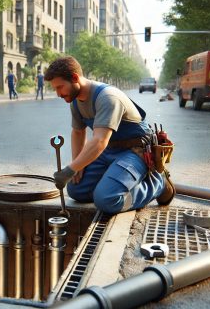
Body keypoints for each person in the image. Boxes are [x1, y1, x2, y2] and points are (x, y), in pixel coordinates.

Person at [45, 56, 175, 215]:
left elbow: (99, 141)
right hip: (109, 151)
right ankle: (114, 182)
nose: (58, 93)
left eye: (60, 87)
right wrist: (77, 165)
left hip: (136, 152)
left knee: (107, 200)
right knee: (76, 190)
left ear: (75, 78)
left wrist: (69, 170)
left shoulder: (107, 97)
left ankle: (157, 184)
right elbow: (78, 132)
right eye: (55, 89)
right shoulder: (75, 102)